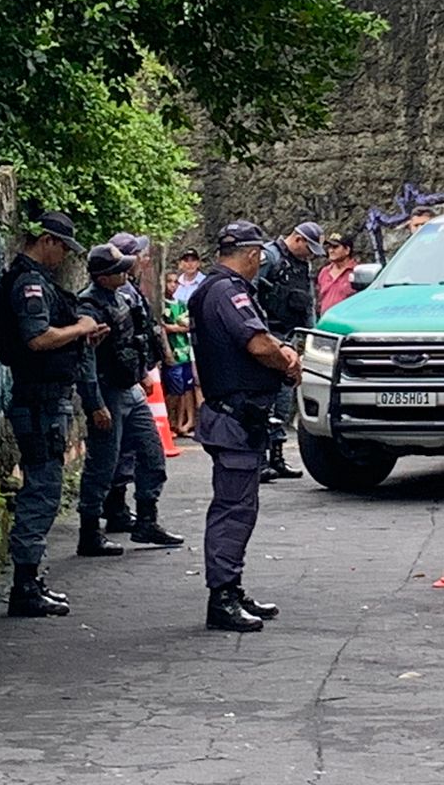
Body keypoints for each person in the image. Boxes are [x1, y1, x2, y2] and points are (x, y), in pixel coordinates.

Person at [189, 221, 301, 633]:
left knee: (239, 506)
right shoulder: (227, 290)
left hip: (237, 415)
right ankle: (222, 596)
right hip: (235, 417)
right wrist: (287, 359)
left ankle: (231, 588)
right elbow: (256, 343)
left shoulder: (215, 289)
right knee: (234, 510)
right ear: (253, 255)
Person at [0, 211, 104, 617]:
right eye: (61, 247)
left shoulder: (33, 281)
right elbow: (38, 338)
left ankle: (30, 580)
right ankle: (24, 586)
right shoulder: (30, 283)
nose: (63, 258)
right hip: (38, 400)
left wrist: (80, 332)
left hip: (44, 397)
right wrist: (80, 328)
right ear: (46, 241)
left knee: (45, 486)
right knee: (41, 488)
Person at [74, 245, 181, 554]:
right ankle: (90, 531)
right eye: (118, 269)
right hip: (108, 391)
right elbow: (86, 361)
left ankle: (147, 520)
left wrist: (143, 372)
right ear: (103, 275)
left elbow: (134, 340)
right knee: (103, 465)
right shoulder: (89, 306)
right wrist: (95, 404)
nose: (125, 272)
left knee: (151, 453)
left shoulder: (122, 297)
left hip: (129, 387)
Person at [254, 220, 324, 482]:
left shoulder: (301, 265)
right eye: (310, 248)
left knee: (283, 401)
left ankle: (277, 457)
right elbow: (252, 294)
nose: (311, 255)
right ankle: (259, 460)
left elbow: (307, 304)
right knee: (264, 401)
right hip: (268, 337)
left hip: (288, 336)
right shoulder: (269, 258)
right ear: (298, 240)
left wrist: (312, 336)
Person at [162, 270, 197, 436]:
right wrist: (175, 328)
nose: (172, 285)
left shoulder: (181, 303)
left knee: (184, 389)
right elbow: (162, 327)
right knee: (173, 389)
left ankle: (178, 424)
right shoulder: (162, 304)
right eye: (169, 282)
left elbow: (188, 323)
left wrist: (173, 327)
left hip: (184, 352)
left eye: (176, 282)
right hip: (172, 353)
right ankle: (168, 422)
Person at [316, 232, 360, 314]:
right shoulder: (324, 272)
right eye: (329, 247)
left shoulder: (357, 272)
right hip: (326, 321)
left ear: (347, 250)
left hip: (347, 321)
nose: (331, 250)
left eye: (335, 247)